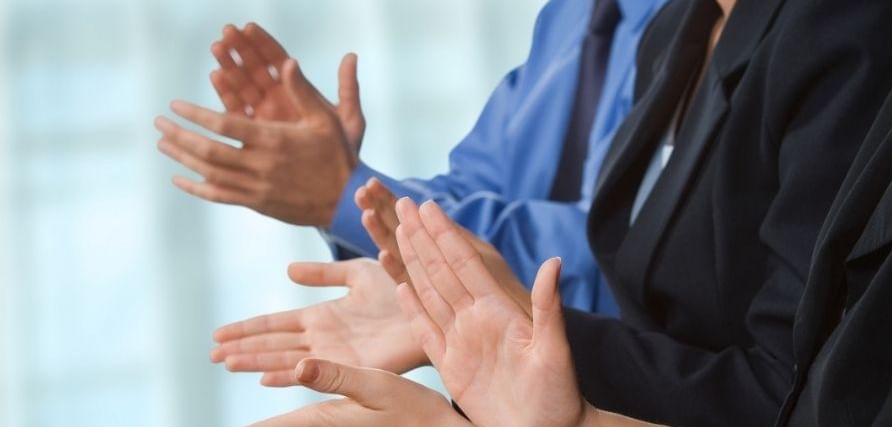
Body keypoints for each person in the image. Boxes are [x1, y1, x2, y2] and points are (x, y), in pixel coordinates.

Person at [167, 5, 892, 427]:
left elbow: (808, 425)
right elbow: (503, 194)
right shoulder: (656, 24)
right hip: (592, 408)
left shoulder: (847, 33)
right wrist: (387, 236)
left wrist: (485, 424)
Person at [154, 0, 670, 315]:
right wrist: (353, 191)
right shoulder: (570, 16)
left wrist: (343, 196)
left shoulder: (701, 27)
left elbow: (618, 257)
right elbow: (474, 189)